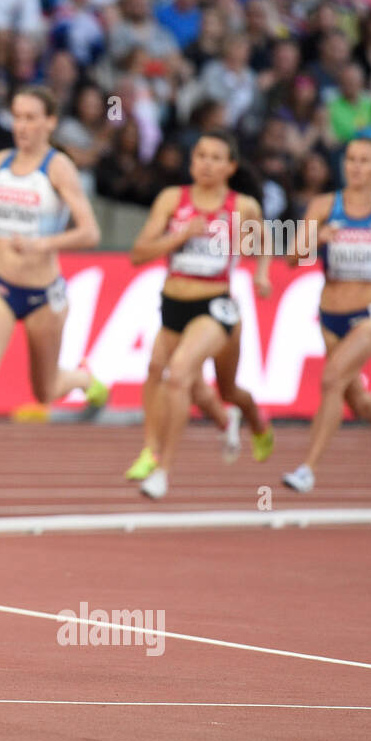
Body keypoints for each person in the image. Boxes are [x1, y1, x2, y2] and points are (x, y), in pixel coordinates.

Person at [0, 87, 109, 505]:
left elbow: (91, 231)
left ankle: (83, 378)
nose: (23, 127)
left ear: (50, 122)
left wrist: (43, 245)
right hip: (0, 286)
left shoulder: (59, 168)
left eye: (32, 118)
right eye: (17, 117)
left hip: (44, 295)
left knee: (44, 392)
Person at [125, 131, 275, 499]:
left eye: (215, 157)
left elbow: (265, 239)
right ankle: (153, 448)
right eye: (200, 156)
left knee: (177, 374)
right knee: (176, 375)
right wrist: (179, 237)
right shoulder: (172, 199)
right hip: (173, 301)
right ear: (192, 162)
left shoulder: (242, 206)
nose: (206, 163)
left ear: (230, 166)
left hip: (215, 305)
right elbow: (138, 253)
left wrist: (261, 273)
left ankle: (162, 471)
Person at [282, 137, 371, 493]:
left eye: (364, 161)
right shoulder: (324, 205)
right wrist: (319, 238)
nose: (355, 167)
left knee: (331, 380)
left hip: (369, 314)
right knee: (354, 397)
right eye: (350, 160)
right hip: (330, 315)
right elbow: (293, 257)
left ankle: (307, 468)